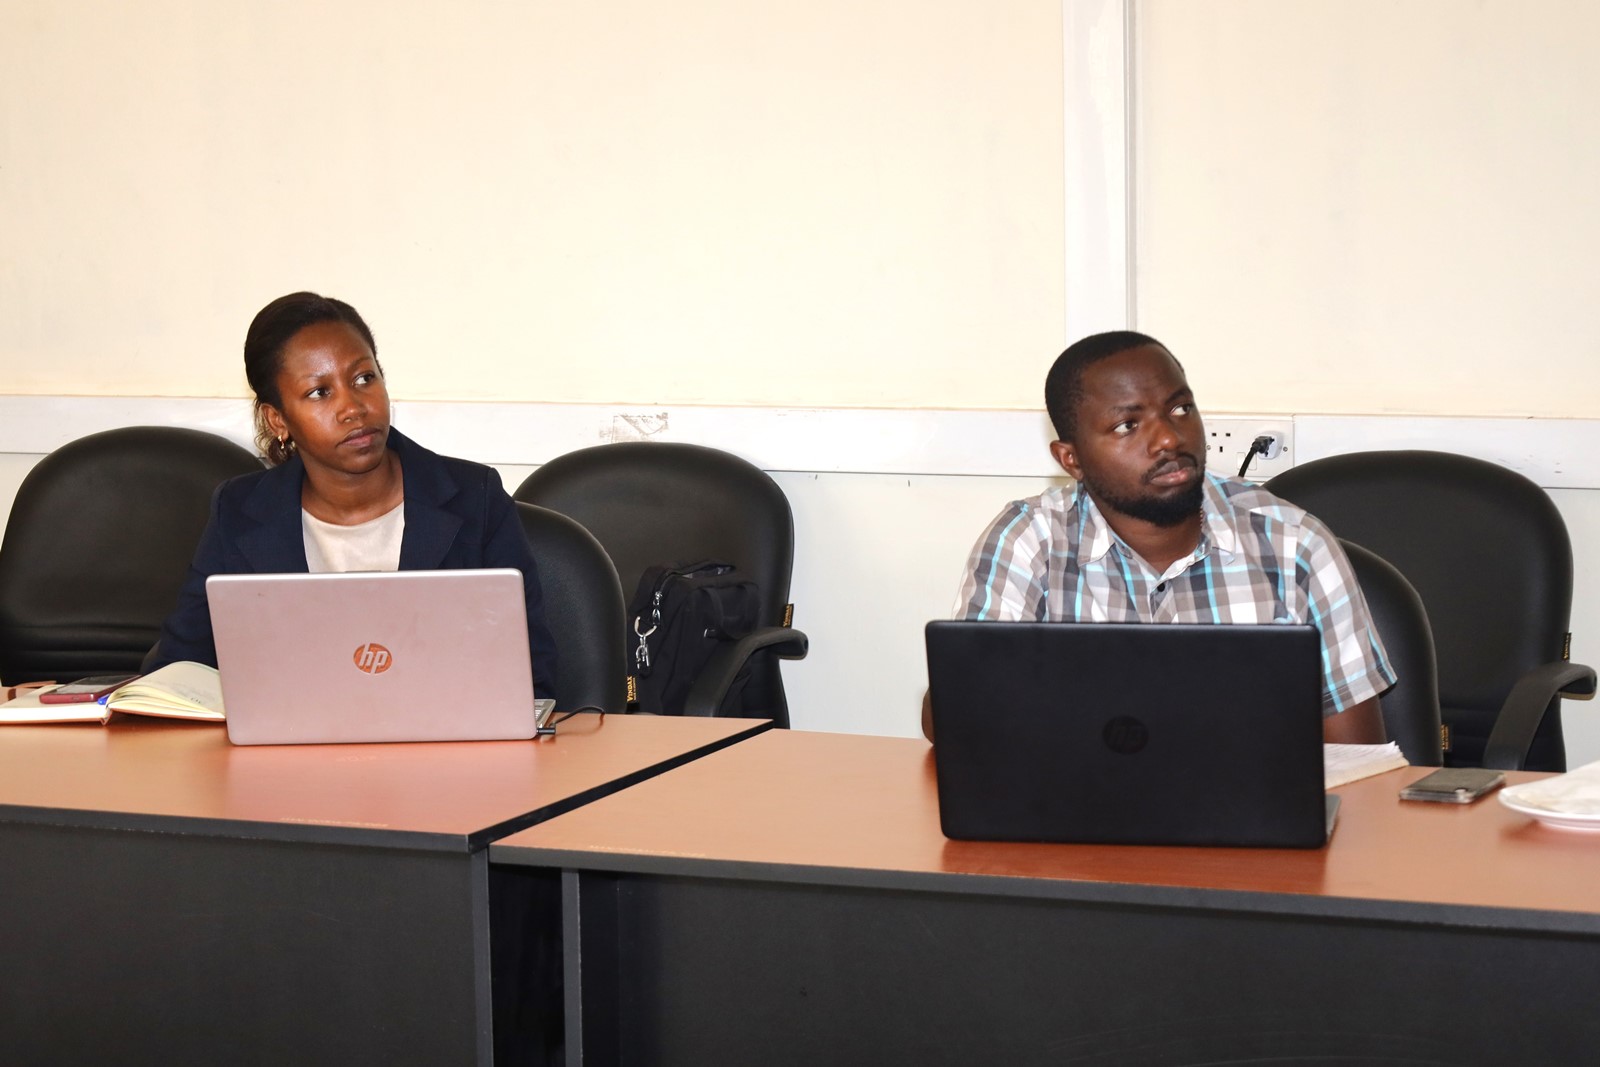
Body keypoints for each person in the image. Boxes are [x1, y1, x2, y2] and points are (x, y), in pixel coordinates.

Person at [924, 330, 1392, 743]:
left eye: (1180, 409)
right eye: (1128, 425)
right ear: (1071, 460)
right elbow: (957, 718)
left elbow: (1356, 763)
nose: (1169, 438)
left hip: (1252, 832)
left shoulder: (1294, 544)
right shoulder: (1030, 542)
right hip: (1078, 825)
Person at [151, 291, 559, 701]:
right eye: (319, 393)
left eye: (364, 378)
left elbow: (529, 673)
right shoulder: (239, 511)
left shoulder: (475, 499)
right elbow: (180, 670)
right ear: (278, 419)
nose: (353, 408)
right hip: (291, 756)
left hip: (443, 751)